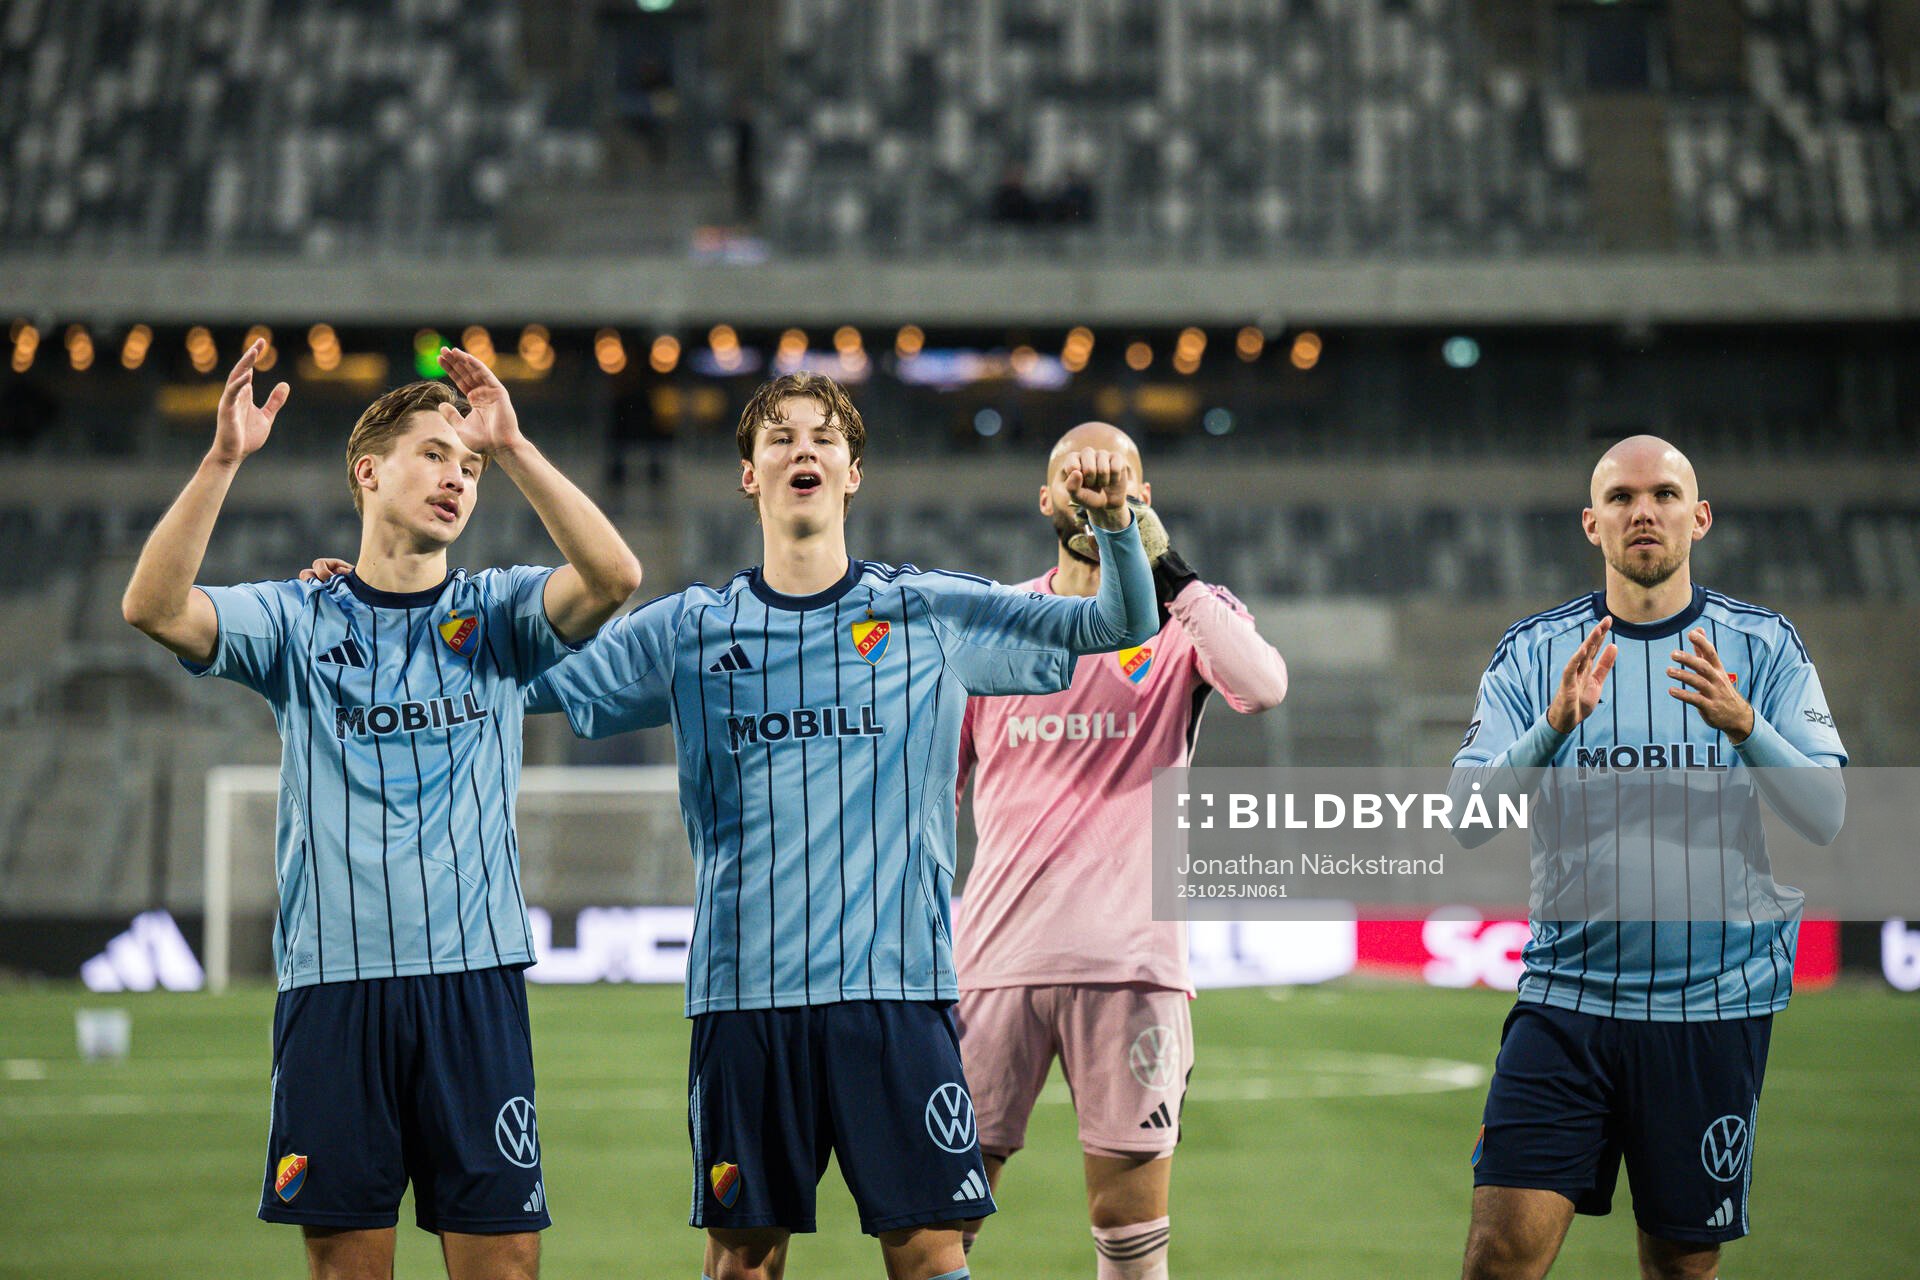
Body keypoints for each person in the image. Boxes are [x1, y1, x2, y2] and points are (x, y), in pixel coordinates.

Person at [523, 371, 1159, 1280]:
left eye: (824, 436)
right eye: (779, 437)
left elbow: (1123, 622)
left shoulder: (928, 612)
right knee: (743, 1257)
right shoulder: (689, 630)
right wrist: (395, 589)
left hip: (894, 998)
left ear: (853, 471)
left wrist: (1115, 523)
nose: (803, 450)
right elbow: (529, 676)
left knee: (930, 1251)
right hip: (746, 1002)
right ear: (749, 474)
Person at [122, 340, 642, 1280]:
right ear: (368, 471)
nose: (458, 477)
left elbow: (613, 577)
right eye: (436, 454)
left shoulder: (500, 615)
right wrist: (224, 459)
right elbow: (155, 607)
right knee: (348, 1270)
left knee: (506, 1267)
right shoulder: (296, 618)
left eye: (470, 467)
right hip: (337, 984)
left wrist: (515, 448)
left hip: (473, 980)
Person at [1450, 435, 1845, 1280]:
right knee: (1496, 1262)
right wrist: (1552, 727)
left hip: (1711, 1007)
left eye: (1664, 495)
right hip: (1567, 1001)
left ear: (1698, 518)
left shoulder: (1765, 648)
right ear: (1591, 524)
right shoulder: (1532, 653)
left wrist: (1747, 727)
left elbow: (1826, 815)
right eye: (1622, 499)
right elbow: (1467, 818)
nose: (1644, 512)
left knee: (1678, 1269)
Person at [952, 423, 1288, 1280]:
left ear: (1144, 496)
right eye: (1075, 476)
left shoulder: (1184, 623)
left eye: (1114, 479)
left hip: (1132, 965)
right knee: (938, 1220)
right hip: (991, 963)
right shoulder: (995, 624)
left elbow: (1263, 684)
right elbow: (934, 789)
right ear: (1043, 497)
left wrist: (1162, 566)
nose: (1092, 490)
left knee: (1129, 1231)